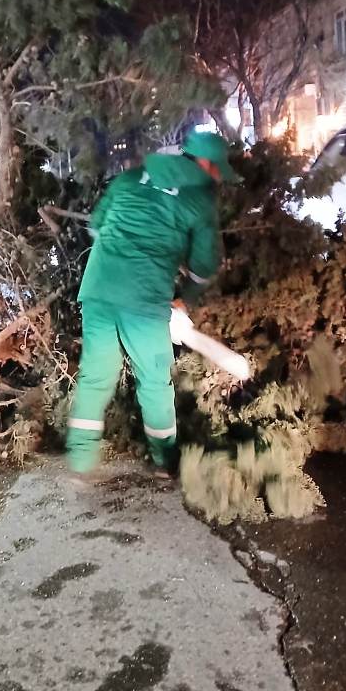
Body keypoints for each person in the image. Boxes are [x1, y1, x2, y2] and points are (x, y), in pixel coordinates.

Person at [66, 127, 239, 476]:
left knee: (97, 374)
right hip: (144, 298)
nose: (219, 178)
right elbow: (204, 264)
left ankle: (80, 460)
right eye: (218, 169)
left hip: (99, 287)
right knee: (155, 379)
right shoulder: (200, 197)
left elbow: (97, 226)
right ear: (205, 163)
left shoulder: (131, 175)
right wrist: (185, 298)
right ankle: (165, 460)